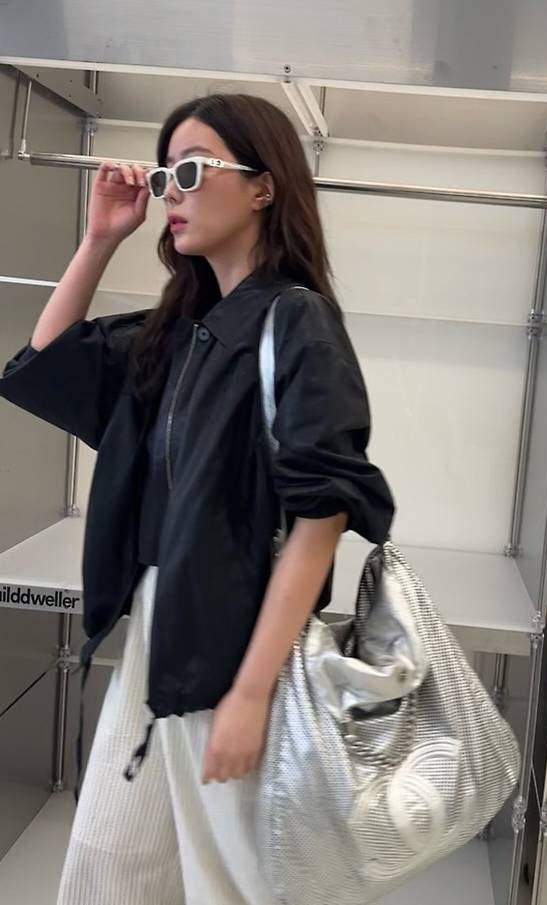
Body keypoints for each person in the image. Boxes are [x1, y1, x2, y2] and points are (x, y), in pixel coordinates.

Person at [0, 93, 394, 903]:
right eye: (163, 175)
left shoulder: (296, 322)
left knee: (228, 885)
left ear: (263, 186)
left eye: (189, 170)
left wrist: (248, 692)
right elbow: (48, 362)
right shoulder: (183, 331)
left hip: (237, 644)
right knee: (105, 867)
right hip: (163, 631)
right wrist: (100, 239)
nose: (169, 192)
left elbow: (321, 516)